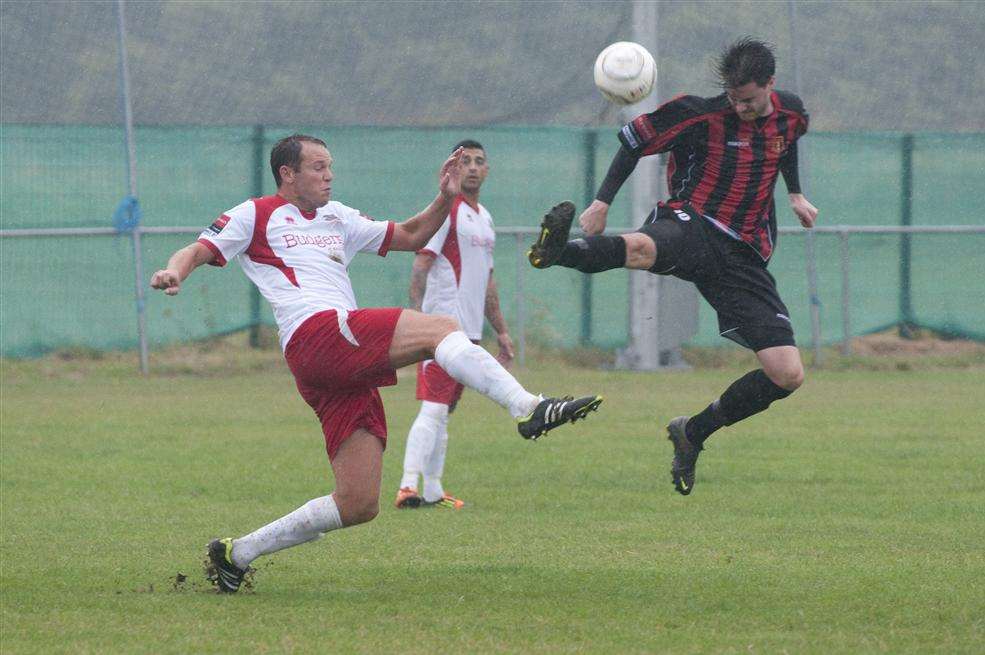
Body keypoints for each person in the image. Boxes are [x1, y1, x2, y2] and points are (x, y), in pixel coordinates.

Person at [150, 134, 602, 593]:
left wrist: (446, 197)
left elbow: (411, 235)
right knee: (441, 328)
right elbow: (197, 250)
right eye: (317, 167)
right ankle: (528, 407)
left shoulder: (337, 216)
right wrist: (174, 271)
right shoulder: (256, 213)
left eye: (330, 166)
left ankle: (235, 554)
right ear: (287, 174)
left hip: (332, 359)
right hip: (316, 332)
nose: (329, 175)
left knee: (358, 502)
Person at [527, 38, 818, 496]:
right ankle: (558, 251)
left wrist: (796, 193)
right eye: (733, 98)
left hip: (743, 254)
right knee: (641, 248)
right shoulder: (700, 113)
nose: (739, 106)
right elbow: (632, 141)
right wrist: (602, 202)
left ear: (770, 85)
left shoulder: (792, 113)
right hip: (694, 221)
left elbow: (787, 145)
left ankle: (693, 432)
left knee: (787, 374)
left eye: (749, 99)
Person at [395, 140, 512, 510]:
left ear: (488, 170)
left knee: (443, 410)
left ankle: (432, 490)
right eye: (465, 162)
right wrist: (417, 320)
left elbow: (488, 281)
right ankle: (407, 486)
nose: (473, 167)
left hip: (470, 332)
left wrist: (502, 331)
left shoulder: (485, 216)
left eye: (480, 161)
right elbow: (421, 264)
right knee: (433, 407)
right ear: (453, 168)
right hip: (441, 329)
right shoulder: (447, 211)